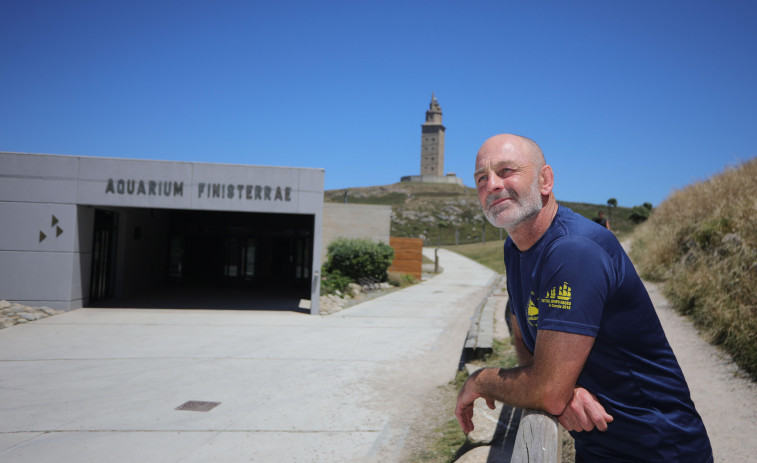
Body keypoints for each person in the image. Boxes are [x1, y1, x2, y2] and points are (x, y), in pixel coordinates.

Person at [456, 134, 712, 462]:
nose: (491, 184)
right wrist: (555, 386)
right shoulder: (515, 248)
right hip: (597, 449)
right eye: (481, 177)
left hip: (657, 448)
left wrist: (481, 381)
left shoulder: (574, 250)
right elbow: (520, 329)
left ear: (545, 180)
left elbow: (547, 392)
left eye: (506, 171)